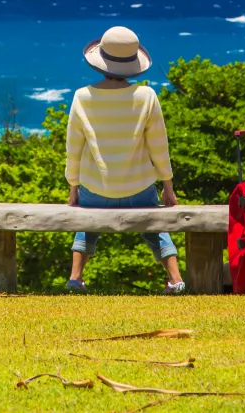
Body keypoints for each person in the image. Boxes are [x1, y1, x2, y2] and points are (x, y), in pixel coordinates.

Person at [65, 25, 185, 294]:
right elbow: (158, 147)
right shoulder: (146, 96)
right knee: (156, 227)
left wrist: (74, 189)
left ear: (100, 62)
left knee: (86, 225)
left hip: (96, 190)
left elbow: (74, 148)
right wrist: (168, 187)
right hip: (139, 189)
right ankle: (176, 280)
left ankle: (75, 278)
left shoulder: (82, 97)